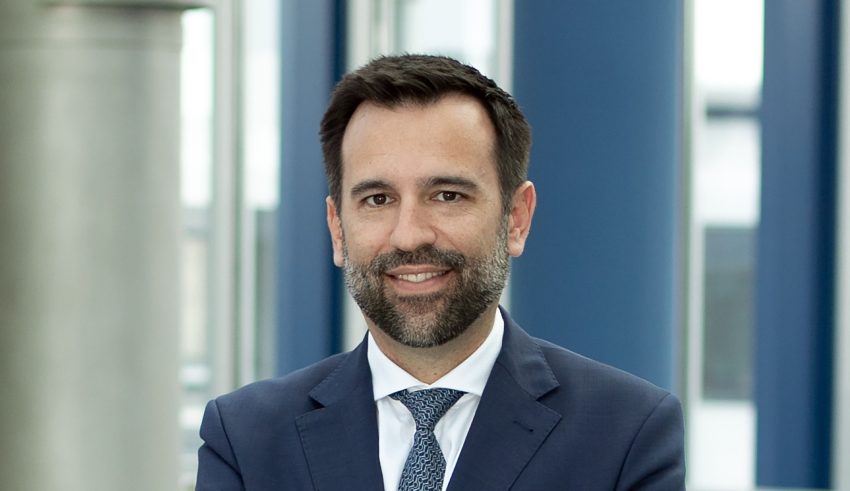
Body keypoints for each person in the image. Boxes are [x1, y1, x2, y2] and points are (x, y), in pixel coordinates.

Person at [196, 54, 685, 491]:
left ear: (516, 219)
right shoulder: (246, 439)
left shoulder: (625, 433)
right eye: (378, 200)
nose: (410, 235)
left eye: (447, 196)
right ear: (337, 229)